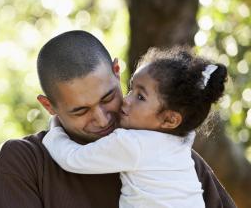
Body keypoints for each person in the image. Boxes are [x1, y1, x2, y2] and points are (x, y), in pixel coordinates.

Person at [0, 30, 236, 208]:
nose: (102, 120)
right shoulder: (23, 162)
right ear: (49, 106)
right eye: (80, 111)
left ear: (117, 72)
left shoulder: (176, 160)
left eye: (108, 98)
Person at [42, 47, 227, 208]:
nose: (127, 100)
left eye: (140, 97)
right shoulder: (182, 143)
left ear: (170, 120)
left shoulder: (131, 144)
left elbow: (72, 159)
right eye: (131, 89)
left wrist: (55, 129)